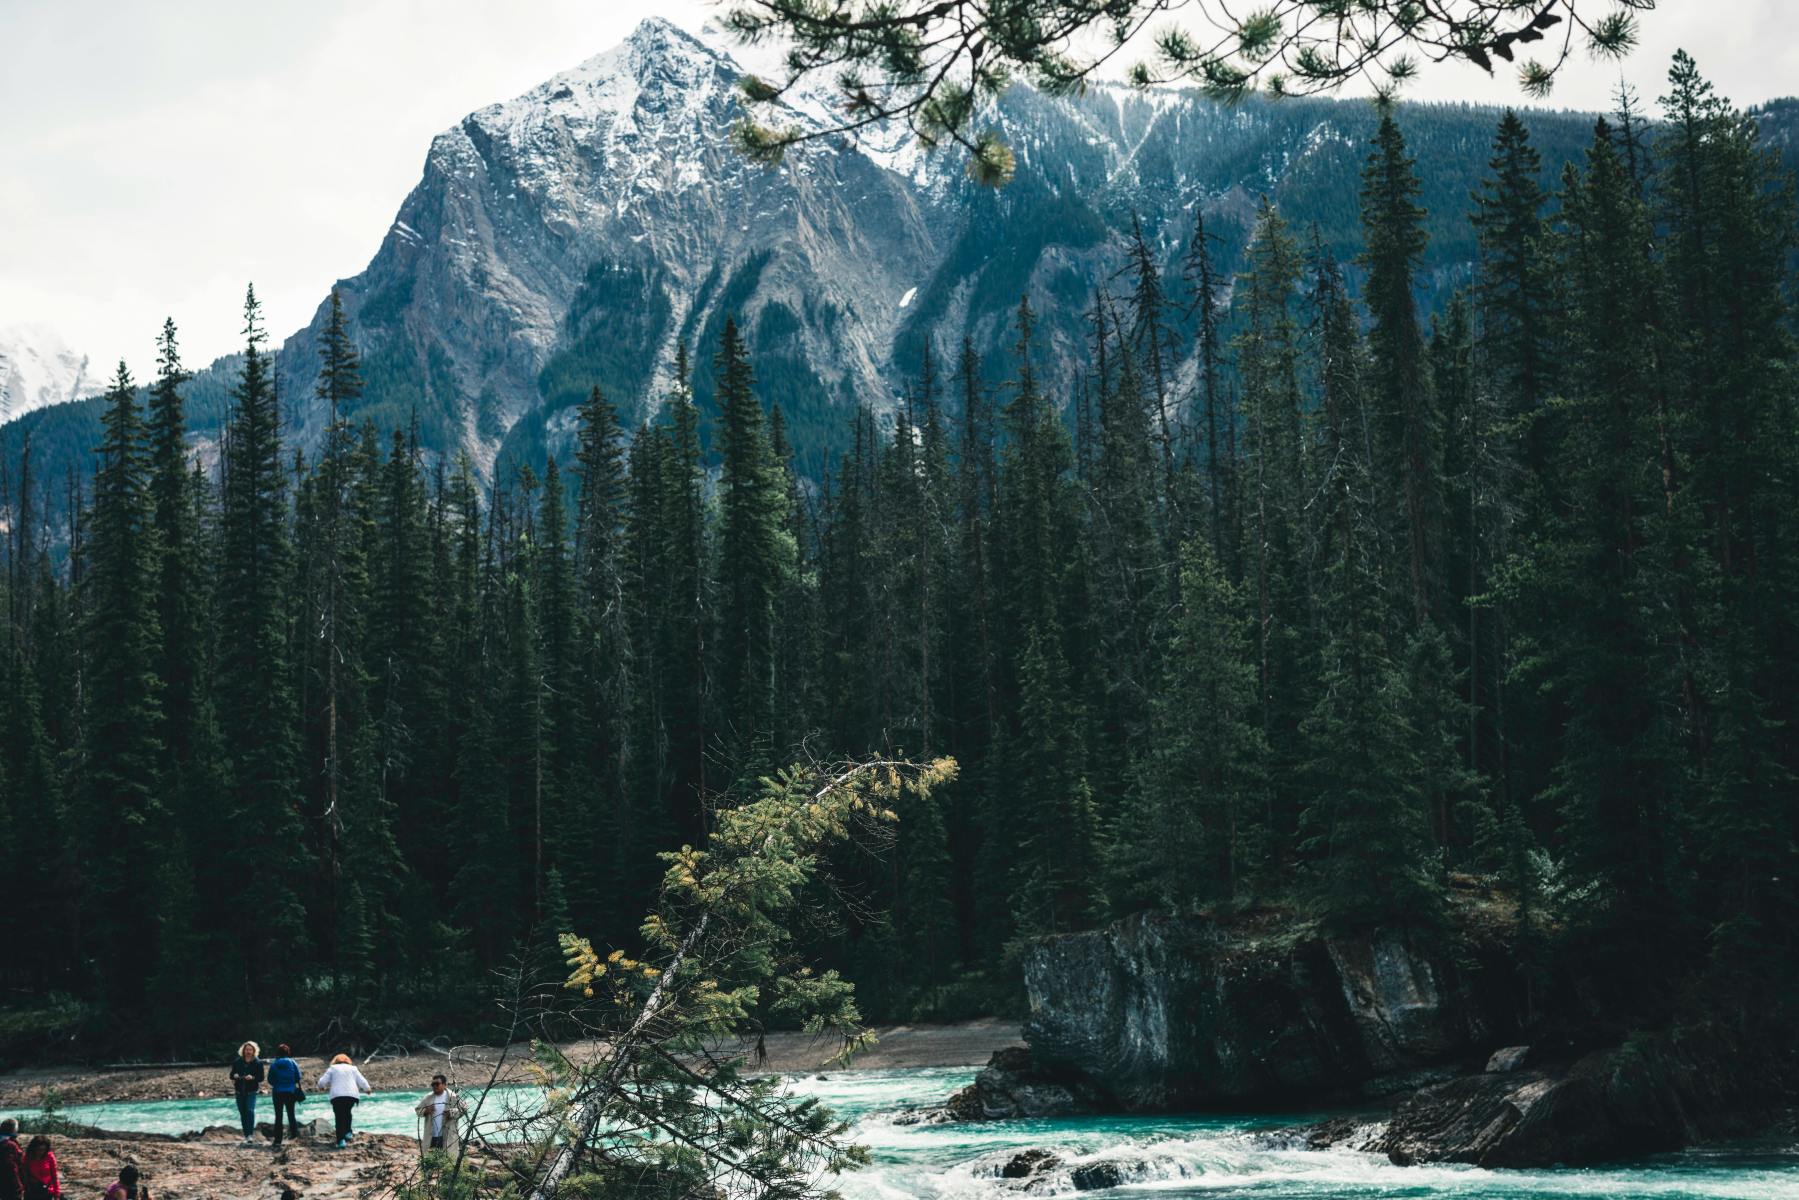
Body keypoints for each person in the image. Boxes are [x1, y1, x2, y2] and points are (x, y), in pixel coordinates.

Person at [317, 1053, 373, 1149]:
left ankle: (341, 1140)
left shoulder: (332, 1068)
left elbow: (322, 1082)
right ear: (348, 1061)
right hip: (351, 1095)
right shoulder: (353, 1069)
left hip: (337, 1096)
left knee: (339, 1116)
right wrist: (367, 1089)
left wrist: (321, 1087)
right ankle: (348, 1132)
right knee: (347, 1112)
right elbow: (362, 1080)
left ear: (335, 1061)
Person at [413, 1074, 464, 1156]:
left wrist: (451, 1112)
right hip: (431, 1136)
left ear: (444, 1085)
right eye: (433, 1084)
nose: (434, 1086)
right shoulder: (428, 1097)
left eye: (437, 1084)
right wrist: (426, 1110)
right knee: (430, 1160)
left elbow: (463, 1109)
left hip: (448, 1136)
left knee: (448, 1160)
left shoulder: (453, 1096)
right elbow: (418, 1111)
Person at [229, 1040, 266, 1146]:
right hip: (239, 1091)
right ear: (243, 1051)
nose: (248, 1052)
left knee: (249, 1111)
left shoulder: (258, 1063)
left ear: (254, 1051)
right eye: (246, 1050)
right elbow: (231, 1075)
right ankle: (246, 1135)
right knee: (243, 1113)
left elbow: (261, 1078)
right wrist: (234, 1075)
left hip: (251, 1091)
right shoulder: (237, 1062)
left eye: (250, 1050)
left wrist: (253, 1077)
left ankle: (250, 1134)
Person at [267, 1043, 304, 1147]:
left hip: (277, 1092)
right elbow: (298, 1077)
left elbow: (270, 1079)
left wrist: (277, 1084)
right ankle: (294, 1137)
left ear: (278, 1052)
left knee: (278, 1116)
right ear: (288, 1052)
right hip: (290, 1091)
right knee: (291, 1114)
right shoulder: (292, 1062)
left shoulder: (274, 1064)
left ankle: (278, 1140)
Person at [0, 1119, 23, 1200]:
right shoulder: (9, 1145)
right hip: (11, 1186)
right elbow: (11, 1167)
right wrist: (18, 1186)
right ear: (13, 1129)